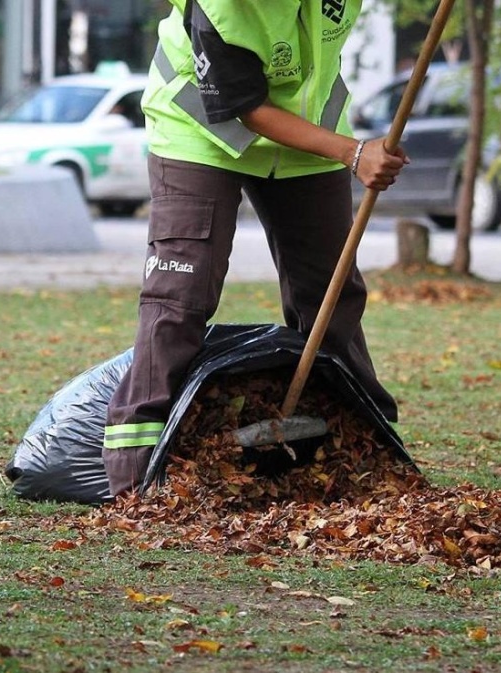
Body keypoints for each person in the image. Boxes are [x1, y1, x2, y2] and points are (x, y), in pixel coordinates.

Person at [101, 0, 409, 497]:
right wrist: (353, 153)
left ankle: (365, 452)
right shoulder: (222, 5)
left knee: (331, 294)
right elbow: (245, 107)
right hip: (200, 130)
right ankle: (135, 476)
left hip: (308, 138)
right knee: (180, 295)